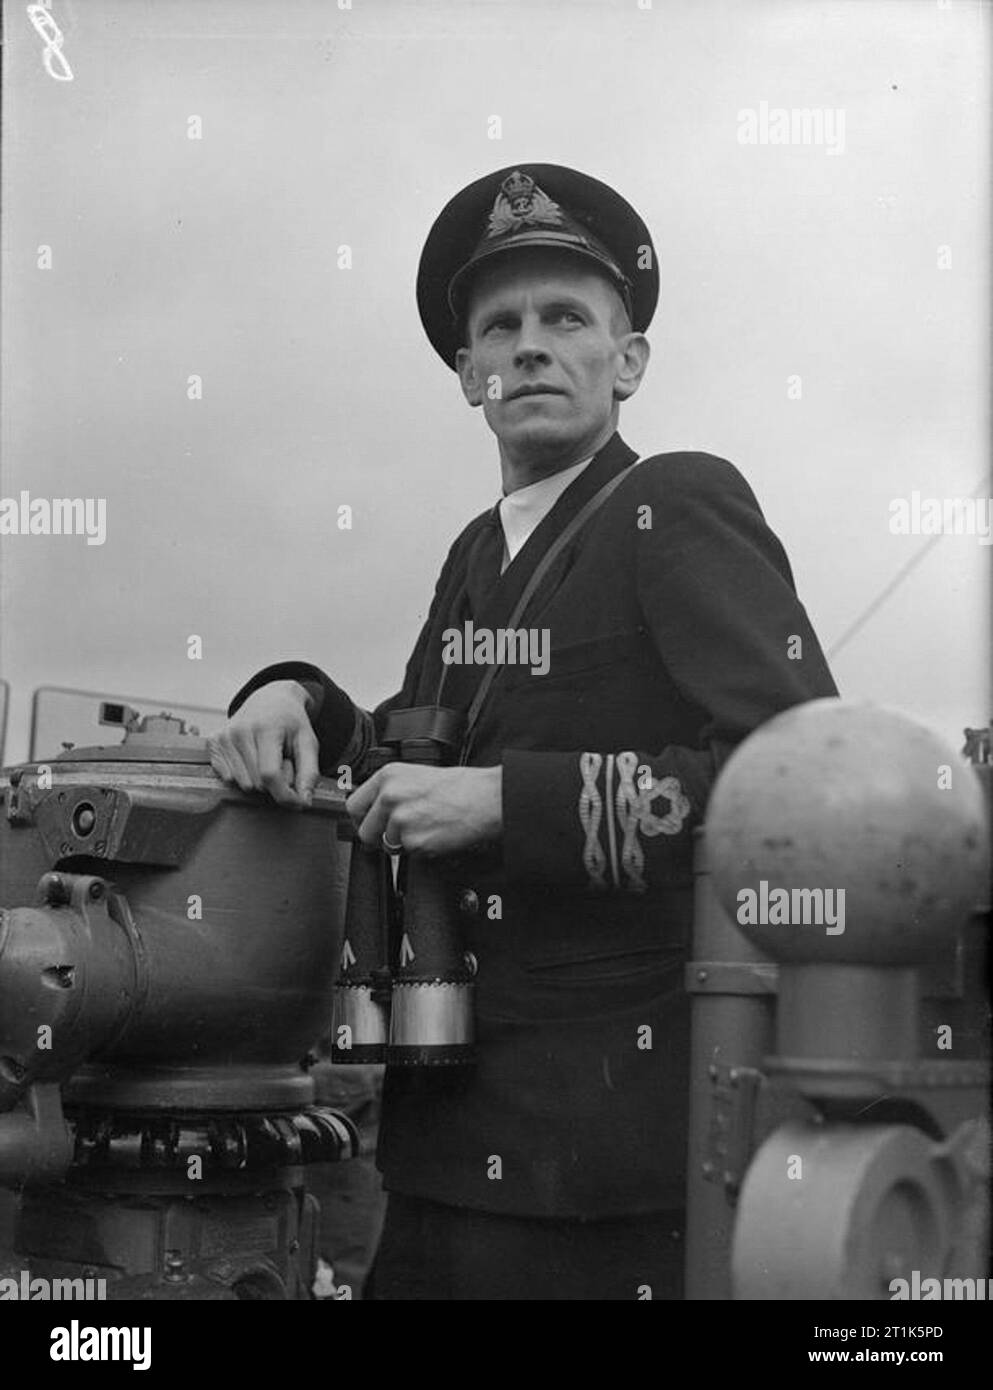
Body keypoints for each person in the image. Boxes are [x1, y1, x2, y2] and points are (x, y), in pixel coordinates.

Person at [209, 163, 839, 1300]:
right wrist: (293, 694)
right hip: (445, 1132)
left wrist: (510, 803)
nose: (530, 347)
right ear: (469, 377)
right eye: (501, 327)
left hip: (607, 1154)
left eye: (565, 319)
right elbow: (415, 756)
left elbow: (796, 772)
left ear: (628, 360)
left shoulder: (677, 502)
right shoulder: (473, 555)